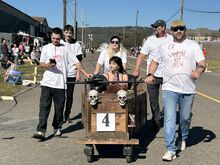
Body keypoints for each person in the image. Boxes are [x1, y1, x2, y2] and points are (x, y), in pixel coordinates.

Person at [145, 20, 207, 161]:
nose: (178, 31)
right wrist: (150, 74)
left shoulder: (193, 45)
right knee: (170, 118)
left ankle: (183, 137)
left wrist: (198, 71)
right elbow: (154, 61)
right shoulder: (165, 46)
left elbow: (202, 63)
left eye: (181, 28)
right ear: (171, 31)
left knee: (185, 118)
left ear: (185, 29)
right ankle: (170, 149)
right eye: (175, 29)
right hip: (169, 88)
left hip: (188, 89)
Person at [33, 27, 92, 140]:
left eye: (57, 38)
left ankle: (57, 127)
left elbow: (76, 62)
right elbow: (41, 63)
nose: (55, 40)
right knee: (44, 107)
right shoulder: (46, 48)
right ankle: (41, 130)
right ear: (51, 37)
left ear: (61, 38)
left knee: (59, 108)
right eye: (53, 38)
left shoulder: (65, 49)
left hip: (60, 83)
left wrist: (84, 72)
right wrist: (48, 65)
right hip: (47, 82)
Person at [132, 19, 173, 131]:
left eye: (157, 27)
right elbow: (141, 55)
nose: (154, 29)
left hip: (168, 75)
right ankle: (156, 122)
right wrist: (137, 69)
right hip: (153, 75)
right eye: (153, 27)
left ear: (163, 27)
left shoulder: (171, 39)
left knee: (169, 99)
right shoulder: (150, 40)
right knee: (153, 100)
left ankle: (165, 115)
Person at [60, 24, 83, 122]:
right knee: (60, 96)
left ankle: (67, 114)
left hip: (71, 73)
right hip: (61, 73)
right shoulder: (60, 42)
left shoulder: (77, 44)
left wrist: (78, 73)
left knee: (69, 95)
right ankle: (59, 115)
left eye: (70, 32)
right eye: (66, 32)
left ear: (72, 33)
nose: (68, 34)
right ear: (63, 32)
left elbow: (79, 60)